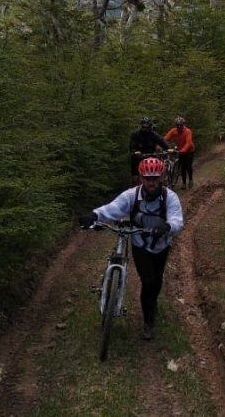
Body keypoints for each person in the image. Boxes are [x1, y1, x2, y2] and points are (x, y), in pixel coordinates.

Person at [79, 157, 183, 341]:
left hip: (161, 245)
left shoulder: (170, 197)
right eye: (147, 178)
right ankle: (148, 321)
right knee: (149, 281)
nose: (151, 182)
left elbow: (177, 220)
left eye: (155, 178)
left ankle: (152, 303)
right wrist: (94, 215)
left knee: (157, 282)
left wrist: (167, 227)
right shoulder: (131, 195)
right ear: (141, 178)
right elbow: (113, 208)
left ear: (161, 177)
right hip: (140, 244)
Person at [129, 116, 168, 184]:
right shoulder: (136, 135)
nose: (146, 128)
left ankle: (161, 182)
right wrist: (135, 152)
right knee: (135, 176)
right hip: (139, 157)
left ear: (150, 126)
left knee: (159, 167)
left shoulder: (153, 134)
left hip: (152, 157)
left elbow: (162, 141)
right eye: (144, 126)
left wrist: (168, 148)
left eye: (147, 126)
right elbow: (132, 146)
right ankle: (136, 182)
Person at [164, 116, 195, 189]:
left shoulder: (187, 131)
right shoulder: (173, 131)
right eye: (177, 125)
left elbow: (188, 143)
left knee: (188, 166)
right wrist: (160, 145)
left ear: (183, 125)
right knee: (183, 167)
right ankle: (184, 183)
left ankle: (190, 179)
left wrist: (183, 150)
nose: (179, 126)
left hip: (189, 151)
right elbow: (166, 139)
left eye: (181, 125)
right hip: (180, 151)